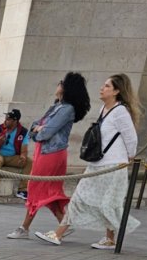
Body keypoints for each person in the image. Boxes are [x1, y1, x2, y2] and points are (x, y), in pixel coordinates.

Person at [36, 74, 141, 249]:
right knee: (79, 197)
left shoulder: (121, 112)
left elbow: (131, 139)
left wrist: (129, 157)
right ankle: (59, 234)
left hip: (114, 166)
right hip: (98, 162)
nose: (102, 88)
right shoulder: (103, 109)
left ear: (116, 91)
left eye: (107, 86)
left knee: (109, 203)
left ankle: (108, 238)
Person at [6, 72, 88, 240]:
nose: (58, 85)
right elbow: (36, 125)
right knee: (48, 190)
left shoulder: (66, 109)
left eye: (61, 83)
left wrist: (37, 131)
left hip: (52, 153)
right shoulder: (57, 105)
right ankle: (64, 223)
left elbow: (46, 132)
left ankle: (24, 227)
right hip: (45, 151)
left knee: (36, 188)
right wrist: (37, 130)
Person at [0, 108, 29, 201]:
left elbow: (24, 150)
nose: (5, 120)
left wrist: (23, 156)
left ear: (15, 121)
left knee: (29, 161)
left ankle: (22, 190)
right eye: (6, 118)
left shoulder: (23, 132)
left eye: (8, 119)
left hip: (11, 157)